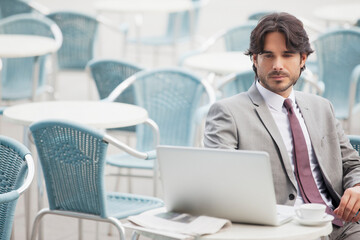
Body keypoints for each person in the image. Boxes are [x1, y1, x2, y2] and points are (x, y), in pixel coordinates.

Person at [204, 12, 360, 239]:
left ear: (303, 59)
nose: (278, 65)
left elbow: (351, 163)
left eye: (287, 55)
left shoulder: (322, 107)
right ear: (255, 60)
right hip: (283, 230)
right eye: (268, 56)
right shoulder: (228, 112)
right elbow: (221, 183)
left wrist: (356, 187)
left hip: (341, 224)